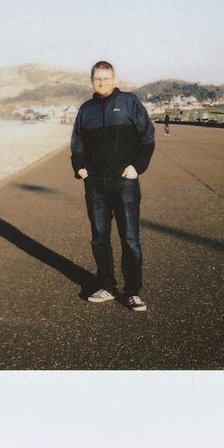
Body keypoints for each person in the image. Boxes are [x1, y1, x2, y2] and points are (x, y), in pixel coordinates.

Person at [70, 61, 156, 311]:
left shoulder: (129, 102)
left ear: (114, 79)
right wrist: (80, 167)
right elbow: (77, 142)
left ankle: (132, 292)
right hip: (95, 183)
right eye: (97, 79)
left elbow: (147, 136)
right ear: (92, 80)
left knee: (130, 238)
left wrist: (137, 167)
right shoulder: (86, 109)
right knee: (99, 237)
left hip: (124, 181)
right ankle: (106, 286)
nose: (102, 82)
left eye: (106, 78)